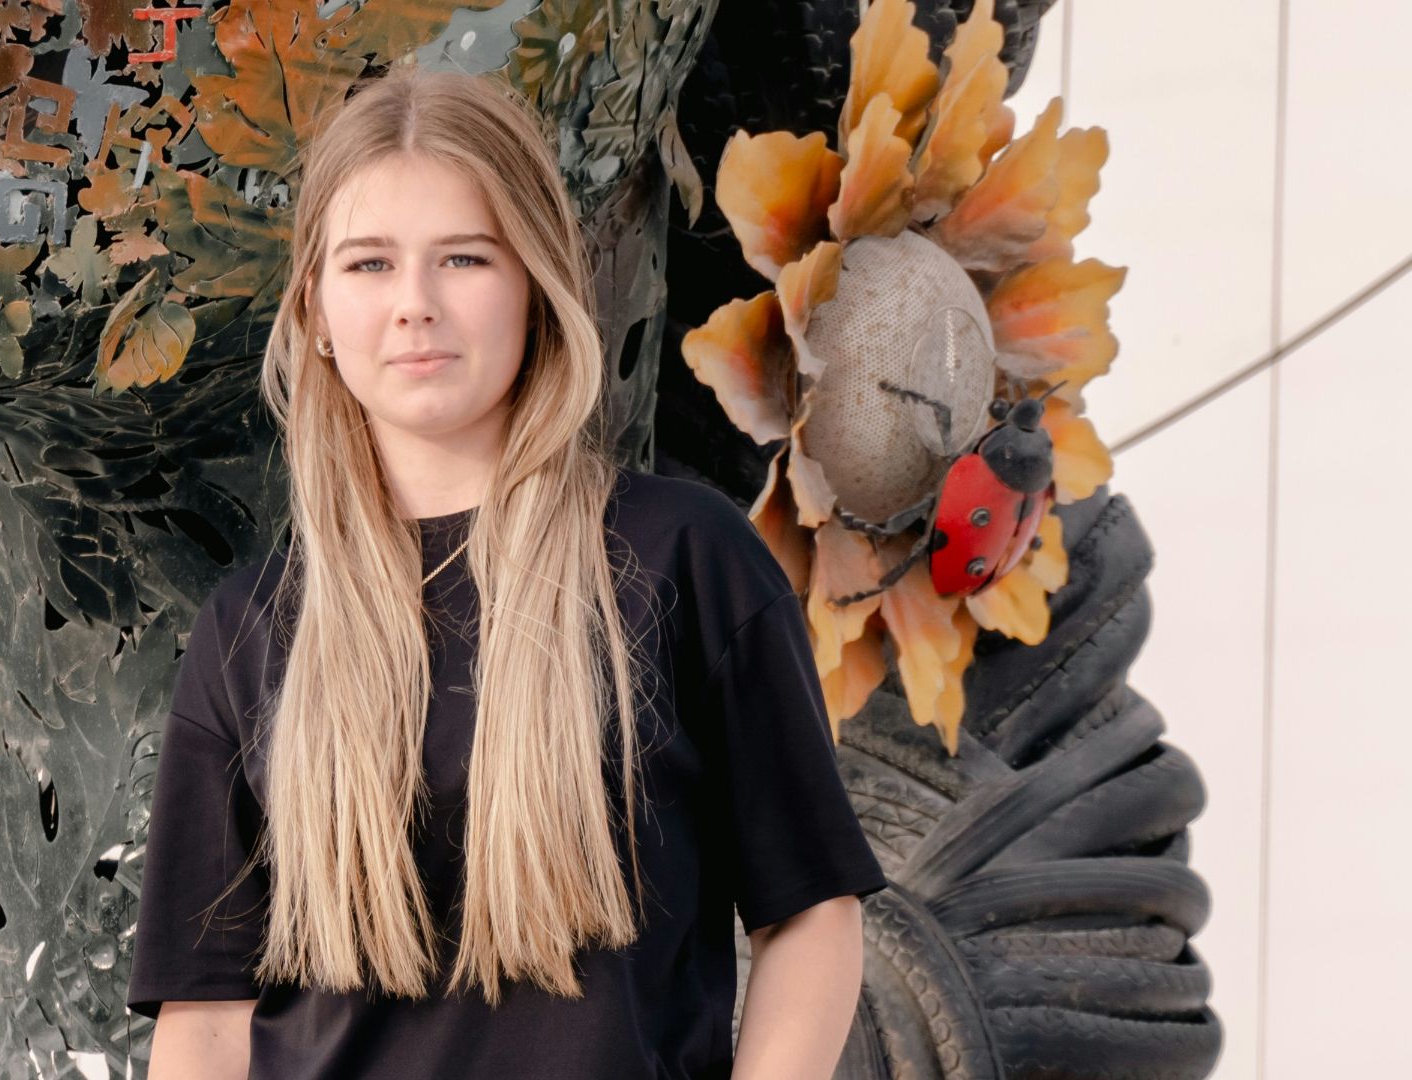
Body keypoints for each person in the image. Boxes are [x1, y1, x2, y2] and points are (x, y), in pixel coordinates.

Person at [124, 67, 888, 1080]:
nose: (415, 307)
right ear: (312, 309)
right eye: (367, 265)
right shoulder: (251, 631)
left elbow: (810, 916)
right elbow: (208, 1020)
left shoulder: (684, 562)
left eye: (464, 258)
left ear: (533, 283)